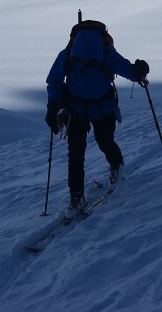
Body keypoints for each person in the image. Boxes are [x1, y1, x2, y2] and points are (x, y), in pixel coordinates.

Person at [45, 20, 149, 219]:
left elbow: (127, 69)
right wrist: (52, 106)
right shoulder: (71, 55)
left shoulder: (98, 53)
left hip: (97, 106)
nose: (86, 64)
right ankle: (77, 195)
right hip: (81, 108)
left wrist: (139, 71)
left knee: (97, 144)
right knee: (80, 150)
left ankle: (114, 167)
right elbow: (54, 82)